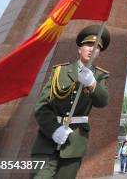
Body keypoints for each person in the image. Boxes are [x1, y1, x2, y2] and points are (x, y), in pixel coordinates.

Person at [30, 25, 110, 179]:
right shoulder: (59, 71)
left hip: (74, 144)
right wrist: (54, 129)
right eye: (88, 45)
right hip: (46, 141)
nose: (92, 49)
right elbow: (42, 107)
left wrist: (92, 84)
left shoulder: (99, 76)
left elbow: (103, 101)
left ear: (99, 53)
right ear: (79, 49)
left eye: (97, 47)